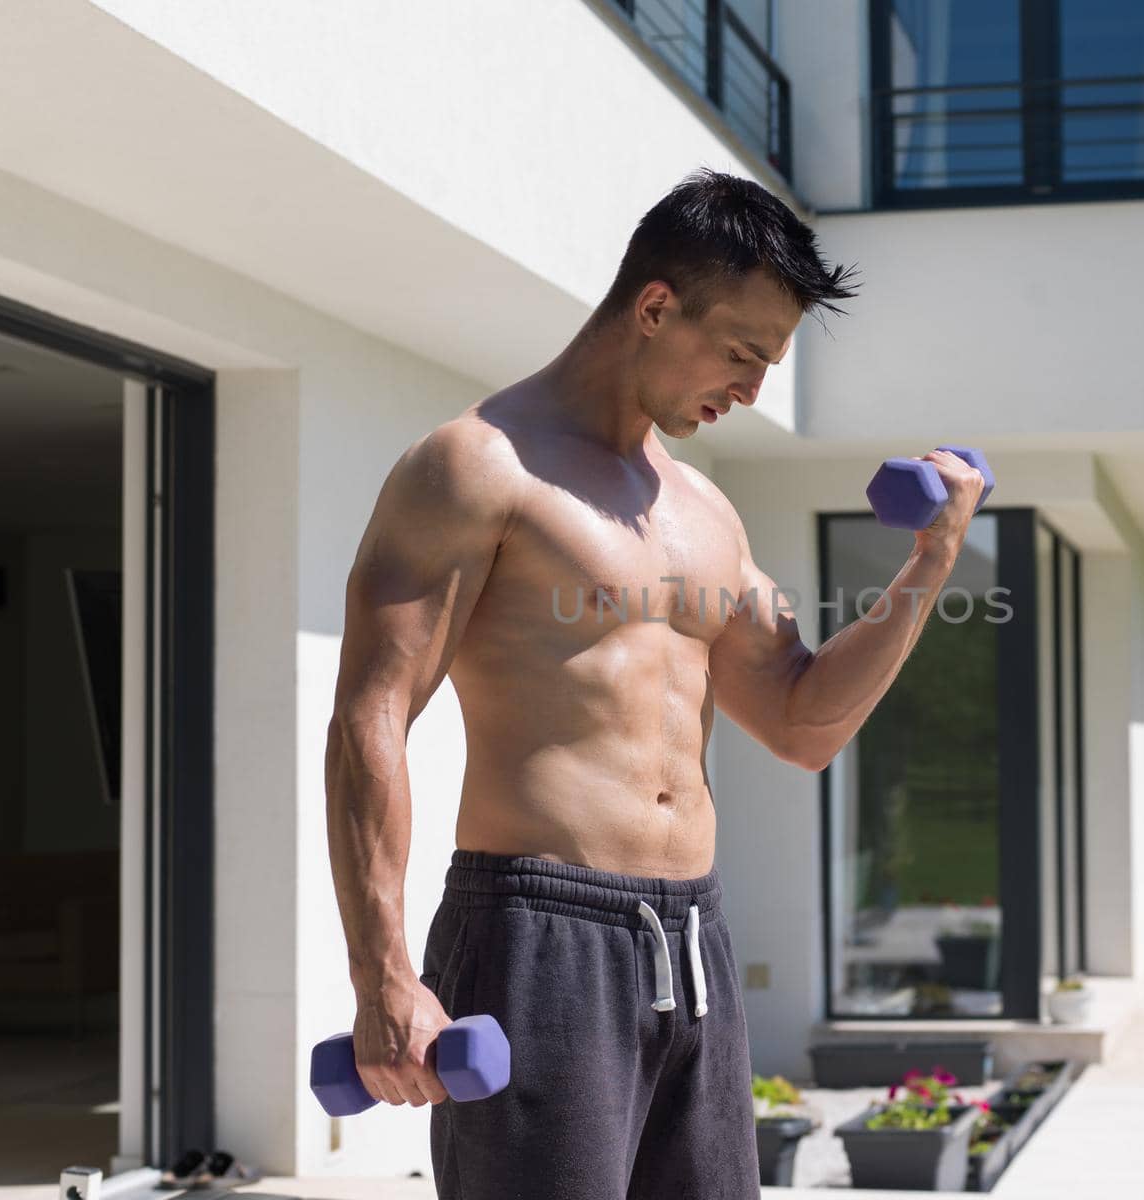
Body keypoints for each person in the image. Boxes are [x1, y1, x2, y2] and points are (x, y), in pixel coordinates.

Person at [324, 167, 987, 1200]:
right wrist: (384, 976)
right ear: (653, 306)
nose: (752, 390)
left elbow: (803, 720)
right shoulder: (477, 468)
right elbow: (370, 718)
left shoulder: (705, 513)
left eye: (768, 364)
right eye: (741, 353)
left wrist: (929, 565)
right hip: (540, 939)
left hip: (694, 938)